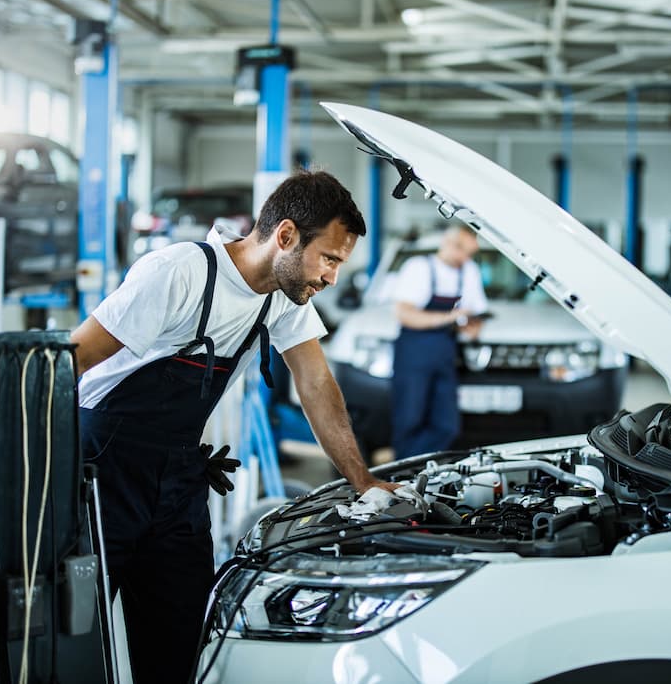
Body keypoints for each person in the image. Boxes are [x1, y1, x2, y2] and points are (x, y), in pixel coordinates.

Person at [70, 170, 397, 684]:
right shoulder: (178, 272)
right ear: (285, 236)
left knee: (179, 635)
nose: (332, 276)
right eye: (329, 259)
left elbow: (316, 384)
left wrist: (365, 482)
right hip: (101, 468)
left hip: (178, 476)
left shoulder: (285, 298)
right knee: (76, 631)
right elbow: (75, 358)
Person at [390, 224, 488, 461]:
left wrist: (473, 328)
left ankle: (422, 467)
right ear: (446, 241)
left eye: (469, 252)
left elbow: (477, 311)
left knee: (447, 425)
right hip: (414, 353)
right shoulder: (419, 268)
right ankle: (405, 470)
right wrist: (449, 317)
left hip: (445, 353)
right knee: (410, 420)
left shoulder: (469, 271)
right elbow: (405, 314)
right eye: (460, 249)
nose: (463, 257)